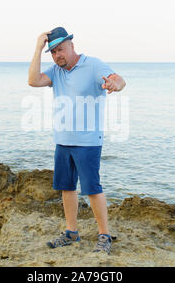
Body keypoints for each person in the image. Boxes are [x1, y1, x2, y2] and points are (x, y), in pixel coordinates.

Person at [28, 27, 126, 255]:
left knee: (92, 188)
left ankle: (104, 235)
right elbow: (33, 80)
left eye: (60, 49)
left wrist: (114, 85)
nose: (57, 55)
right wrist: (37, 47)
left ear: (72, 45)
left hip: (88, 141)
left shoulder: (92, 65)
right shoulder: (56, 71)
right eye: (52, 52)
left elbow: (118, 79)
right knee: (66, 188)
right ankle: (71, 232)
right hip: (62, 140)